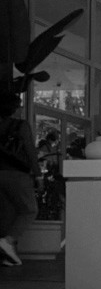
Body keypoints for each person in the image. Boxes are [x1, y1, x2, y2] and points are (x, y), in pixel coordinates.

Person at [0, 92, 41, 266]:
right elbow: (30, 151)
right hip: (17, 173)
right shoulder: (20, 126)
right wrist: (38, 174)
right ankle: (7, 242)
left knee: (8, 213)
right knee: (29, 210)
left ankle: (7, 257)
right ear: (15, 108)